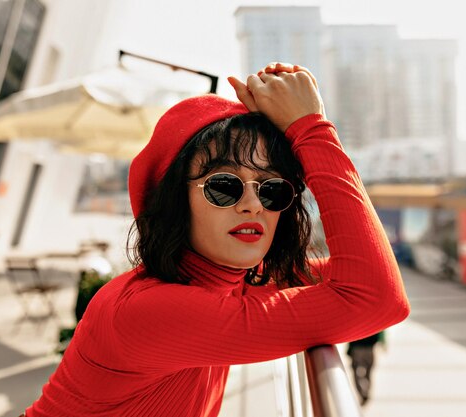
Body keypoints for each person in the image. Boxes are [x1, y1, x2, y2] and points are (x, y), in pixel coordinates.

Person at [21, 62, 410, 417]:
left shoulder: (231, 285)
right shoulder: (151, 311)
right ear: (175, 201)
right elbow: (376, 297)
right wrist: (311, 128)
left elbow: (360, 276)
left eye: (272, 189)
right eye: (224, 187)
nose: (253, 205)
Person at [347, 331, 385, 406]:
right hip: (369, 347)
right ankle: (366, 391)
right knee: (368, 372)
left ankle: (362, 392)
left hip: (357, 347)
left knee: (356, 372)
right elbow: (380, 331)